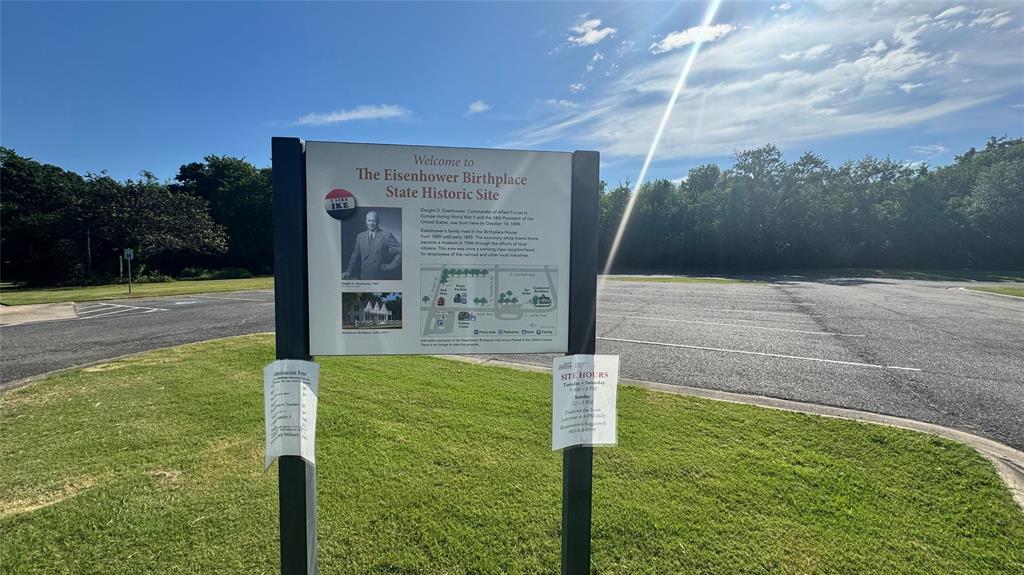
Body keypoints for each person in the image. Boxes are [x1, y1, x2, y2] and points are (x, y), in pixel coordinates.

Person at [343, 210, 401, 280]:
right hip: (364, 275)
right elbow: (355, 255)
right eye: (369, 220)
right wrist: (349, 271)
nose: (371, 223)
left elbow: (402, 250)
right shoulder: (360, 236)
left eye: (374, 221)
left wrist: (392, 265)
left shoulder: (386, 235)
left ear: (378, 221)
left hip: (379, 276)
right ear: (366, 221)